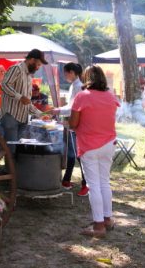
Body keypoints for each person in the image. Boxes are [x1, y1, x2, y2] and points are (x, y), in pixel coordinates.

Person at [69, 65, 120, 238]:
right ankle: (107, 219)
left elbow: (73, 124)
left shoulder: (82, 96)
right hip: (108, 143)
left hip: (89, 145)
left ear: (86, 78)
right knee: (104, 182)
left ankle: (98, 226)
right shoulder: (110, 95)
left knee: (94, 185)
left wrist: (69, 122)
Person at [51, 63, 88, 196]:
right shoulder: (75, 85)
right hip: (73, 124)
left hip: (77, 125)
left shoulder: (79, 86)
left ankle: (85, 184)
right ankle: (66, 180)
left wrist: (57, 110)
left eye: (66, 73)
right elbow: (71, 105)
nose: (64, 75)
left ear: (72, 72)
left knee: (78, 156)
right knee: (71, 154)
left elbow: (73, 108)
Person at [0, 49, 47, 149]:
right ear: (32, 60)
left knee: (18, 150)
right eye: (38, 64)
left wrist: (41, 114)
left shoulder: (29, 76)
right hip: (10, 116)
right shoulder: (16, 69)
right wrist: (20, 97)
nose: (38, 68)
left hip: (23, 118)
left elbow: (27, 101)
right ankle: (10, 165)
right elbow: (4, 85)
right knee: (11, 150)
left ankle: (14, 165)